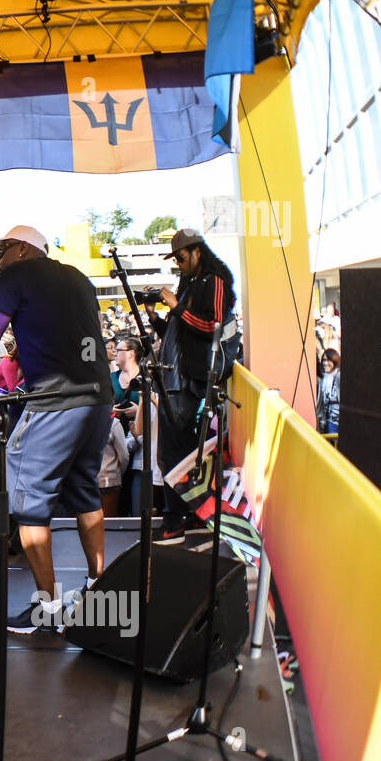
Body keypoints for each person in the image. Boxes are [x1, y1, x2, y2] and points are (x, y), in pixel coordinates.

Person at [0, 224, 114, 635]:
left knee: (29, 498)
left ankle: (47, 609)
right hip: (99, 398)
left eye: (3, 249)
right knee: (85, 488)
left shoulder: (14, 277)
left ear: (24, 249)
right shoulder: (79, 279)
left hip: (55, 402)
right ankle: (97, 584)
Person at [142, 228, 237, 544]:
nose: (179, 265)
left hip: (190, 385)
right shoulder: (192, 284)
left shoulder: (216, 281)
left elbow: (213, 327)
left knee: (176, 456)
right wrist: (155, 316)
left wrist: (176, 305)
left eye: (181, 258)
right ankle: (182, 519)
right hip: (175, 382)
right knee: (172, 455)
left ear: (198, 252)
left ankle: (178, 521)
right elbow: (177, 330)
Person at [317, 349, 340, 435]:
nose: (325, 363)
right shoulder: (323, 379)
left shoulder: (338, 376)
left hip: (336, 421)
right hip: (326, 421)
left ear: (335, 361)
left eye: (328, 360)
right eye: (324, 360)